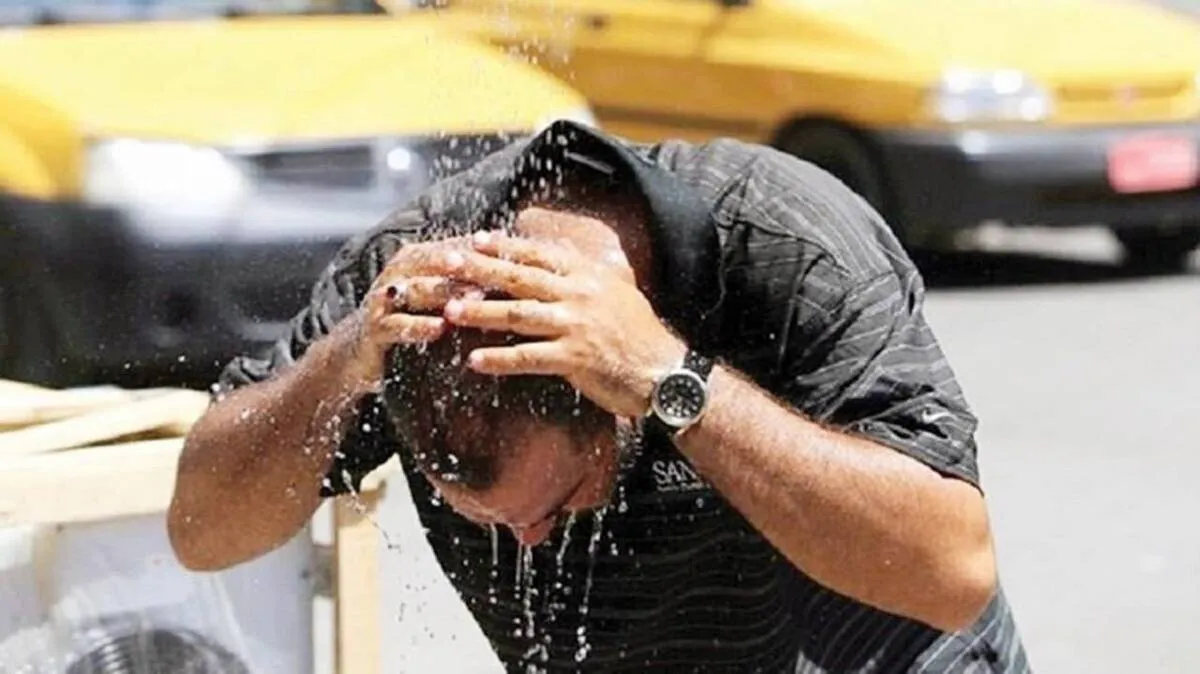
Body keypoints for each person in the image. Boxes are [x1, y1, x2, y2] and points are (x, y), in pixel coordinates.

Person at [167, 120, 1032, 673]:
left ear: (614, 406)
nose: (524, 542)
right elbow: (202, 531)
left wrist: (672, 380)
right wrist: (339, 364)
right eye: (483, 522)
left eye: (554, 506)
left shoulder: (791, 247)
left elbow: (950, 572)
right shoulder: (410, 291)